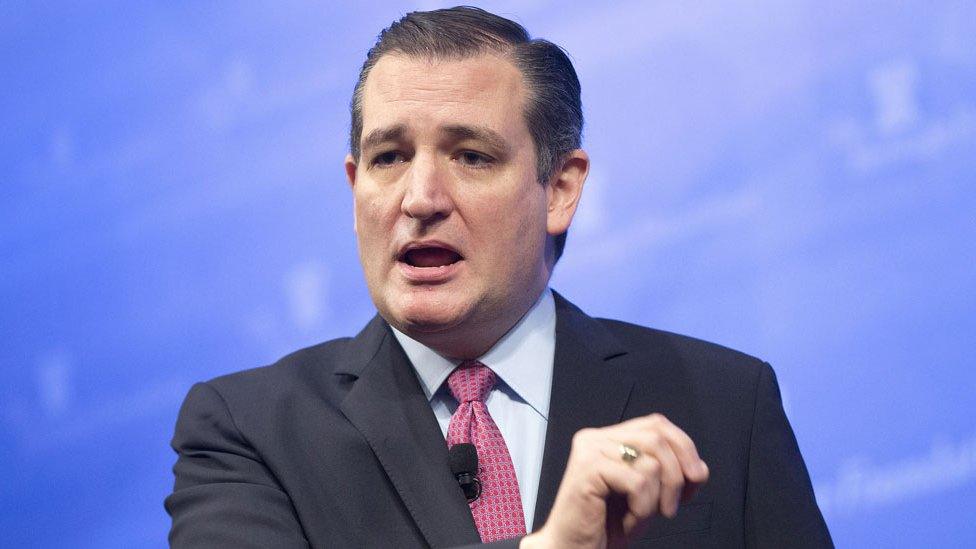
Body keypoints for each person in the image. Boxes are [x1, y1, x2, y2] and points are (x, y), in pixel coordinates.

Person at [165, 6, 832, 548]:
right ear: (354, 186)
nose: (420, 196)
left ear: (561, 189)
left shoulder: (721, 405)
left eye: (472, 156)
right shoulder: (251, 432)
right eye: (389, 157)